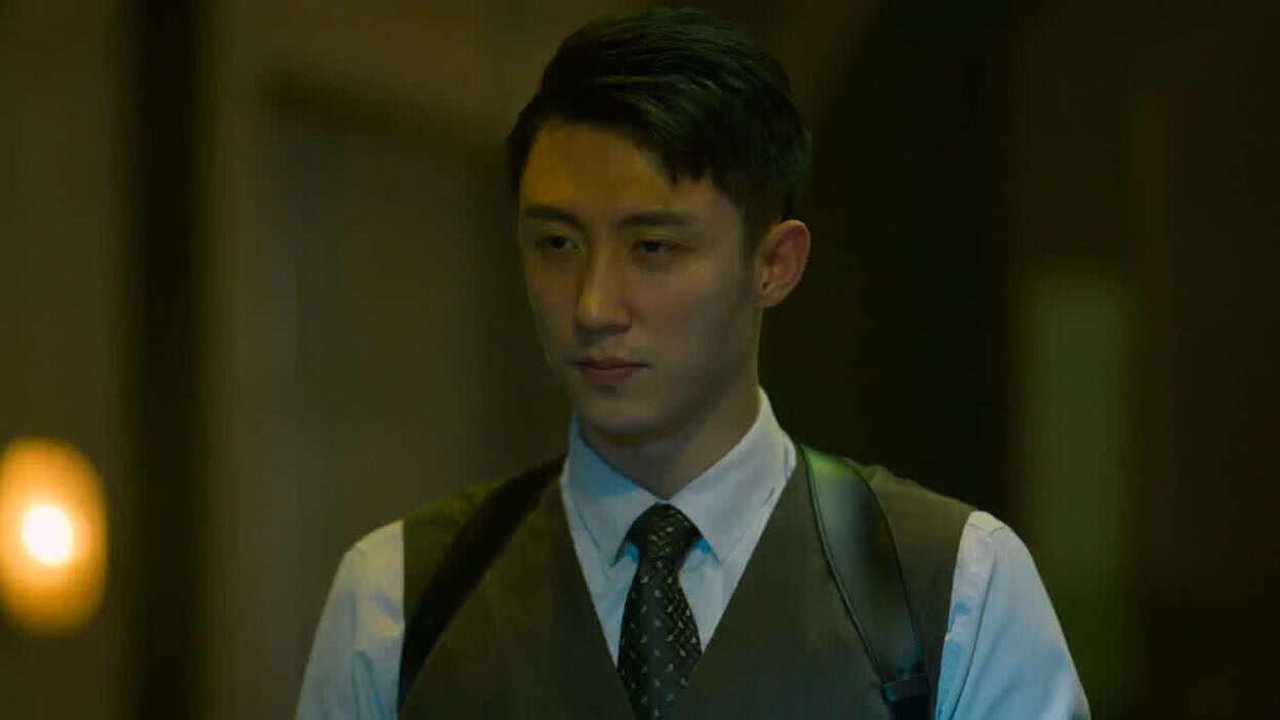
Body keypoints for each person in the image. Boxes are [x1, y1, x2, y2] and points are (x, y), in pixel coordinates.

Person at [297, 7, 1088, 719]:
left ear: (774, 264)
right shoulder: (403, 599)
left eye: (652, 248)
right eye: (556, 244)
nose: (594, 306)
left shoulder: (950, 588)